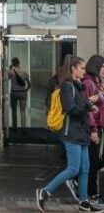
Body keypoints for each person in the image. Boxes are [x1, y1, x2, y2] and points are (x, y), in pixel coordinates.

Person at [36, 55, 102, 212]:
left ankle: (84, 202)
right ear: (73, 69)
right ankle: (45, 191)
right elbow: (71, 109)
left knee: (85, 168)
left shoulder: (78, 86)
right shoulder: (67, 86)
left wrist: (89, 106)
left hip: (81, 132)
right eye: (82, 68)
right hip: (71, 133)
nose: (84, 71)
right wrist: (90, 103)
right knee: (73, 168)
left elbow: (80, 107)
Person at [79, 55, 104, 207]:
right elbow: (89, 110)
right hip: (94, 127)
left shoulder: (96, 83)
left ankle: (89, 191)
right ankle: (90, 192)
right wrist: (93, 129)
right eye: (102, 67)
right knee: (93, 162)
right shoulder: (89, 83)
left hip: (98, 126)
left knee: (94, 161)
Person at [9, 57, 31, 131]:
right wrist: (25, 90)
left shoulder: (12, 72)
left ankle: (15, 128)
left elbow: (6, 78)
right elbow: (29, 85)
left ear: (13, 63)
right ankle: (23, 129)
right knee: (23, 111)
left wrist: (10, 69)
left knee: (14, 110)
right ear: (19, 63)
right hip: (22, 93)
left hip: (14, 92)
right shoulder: (24, 72)